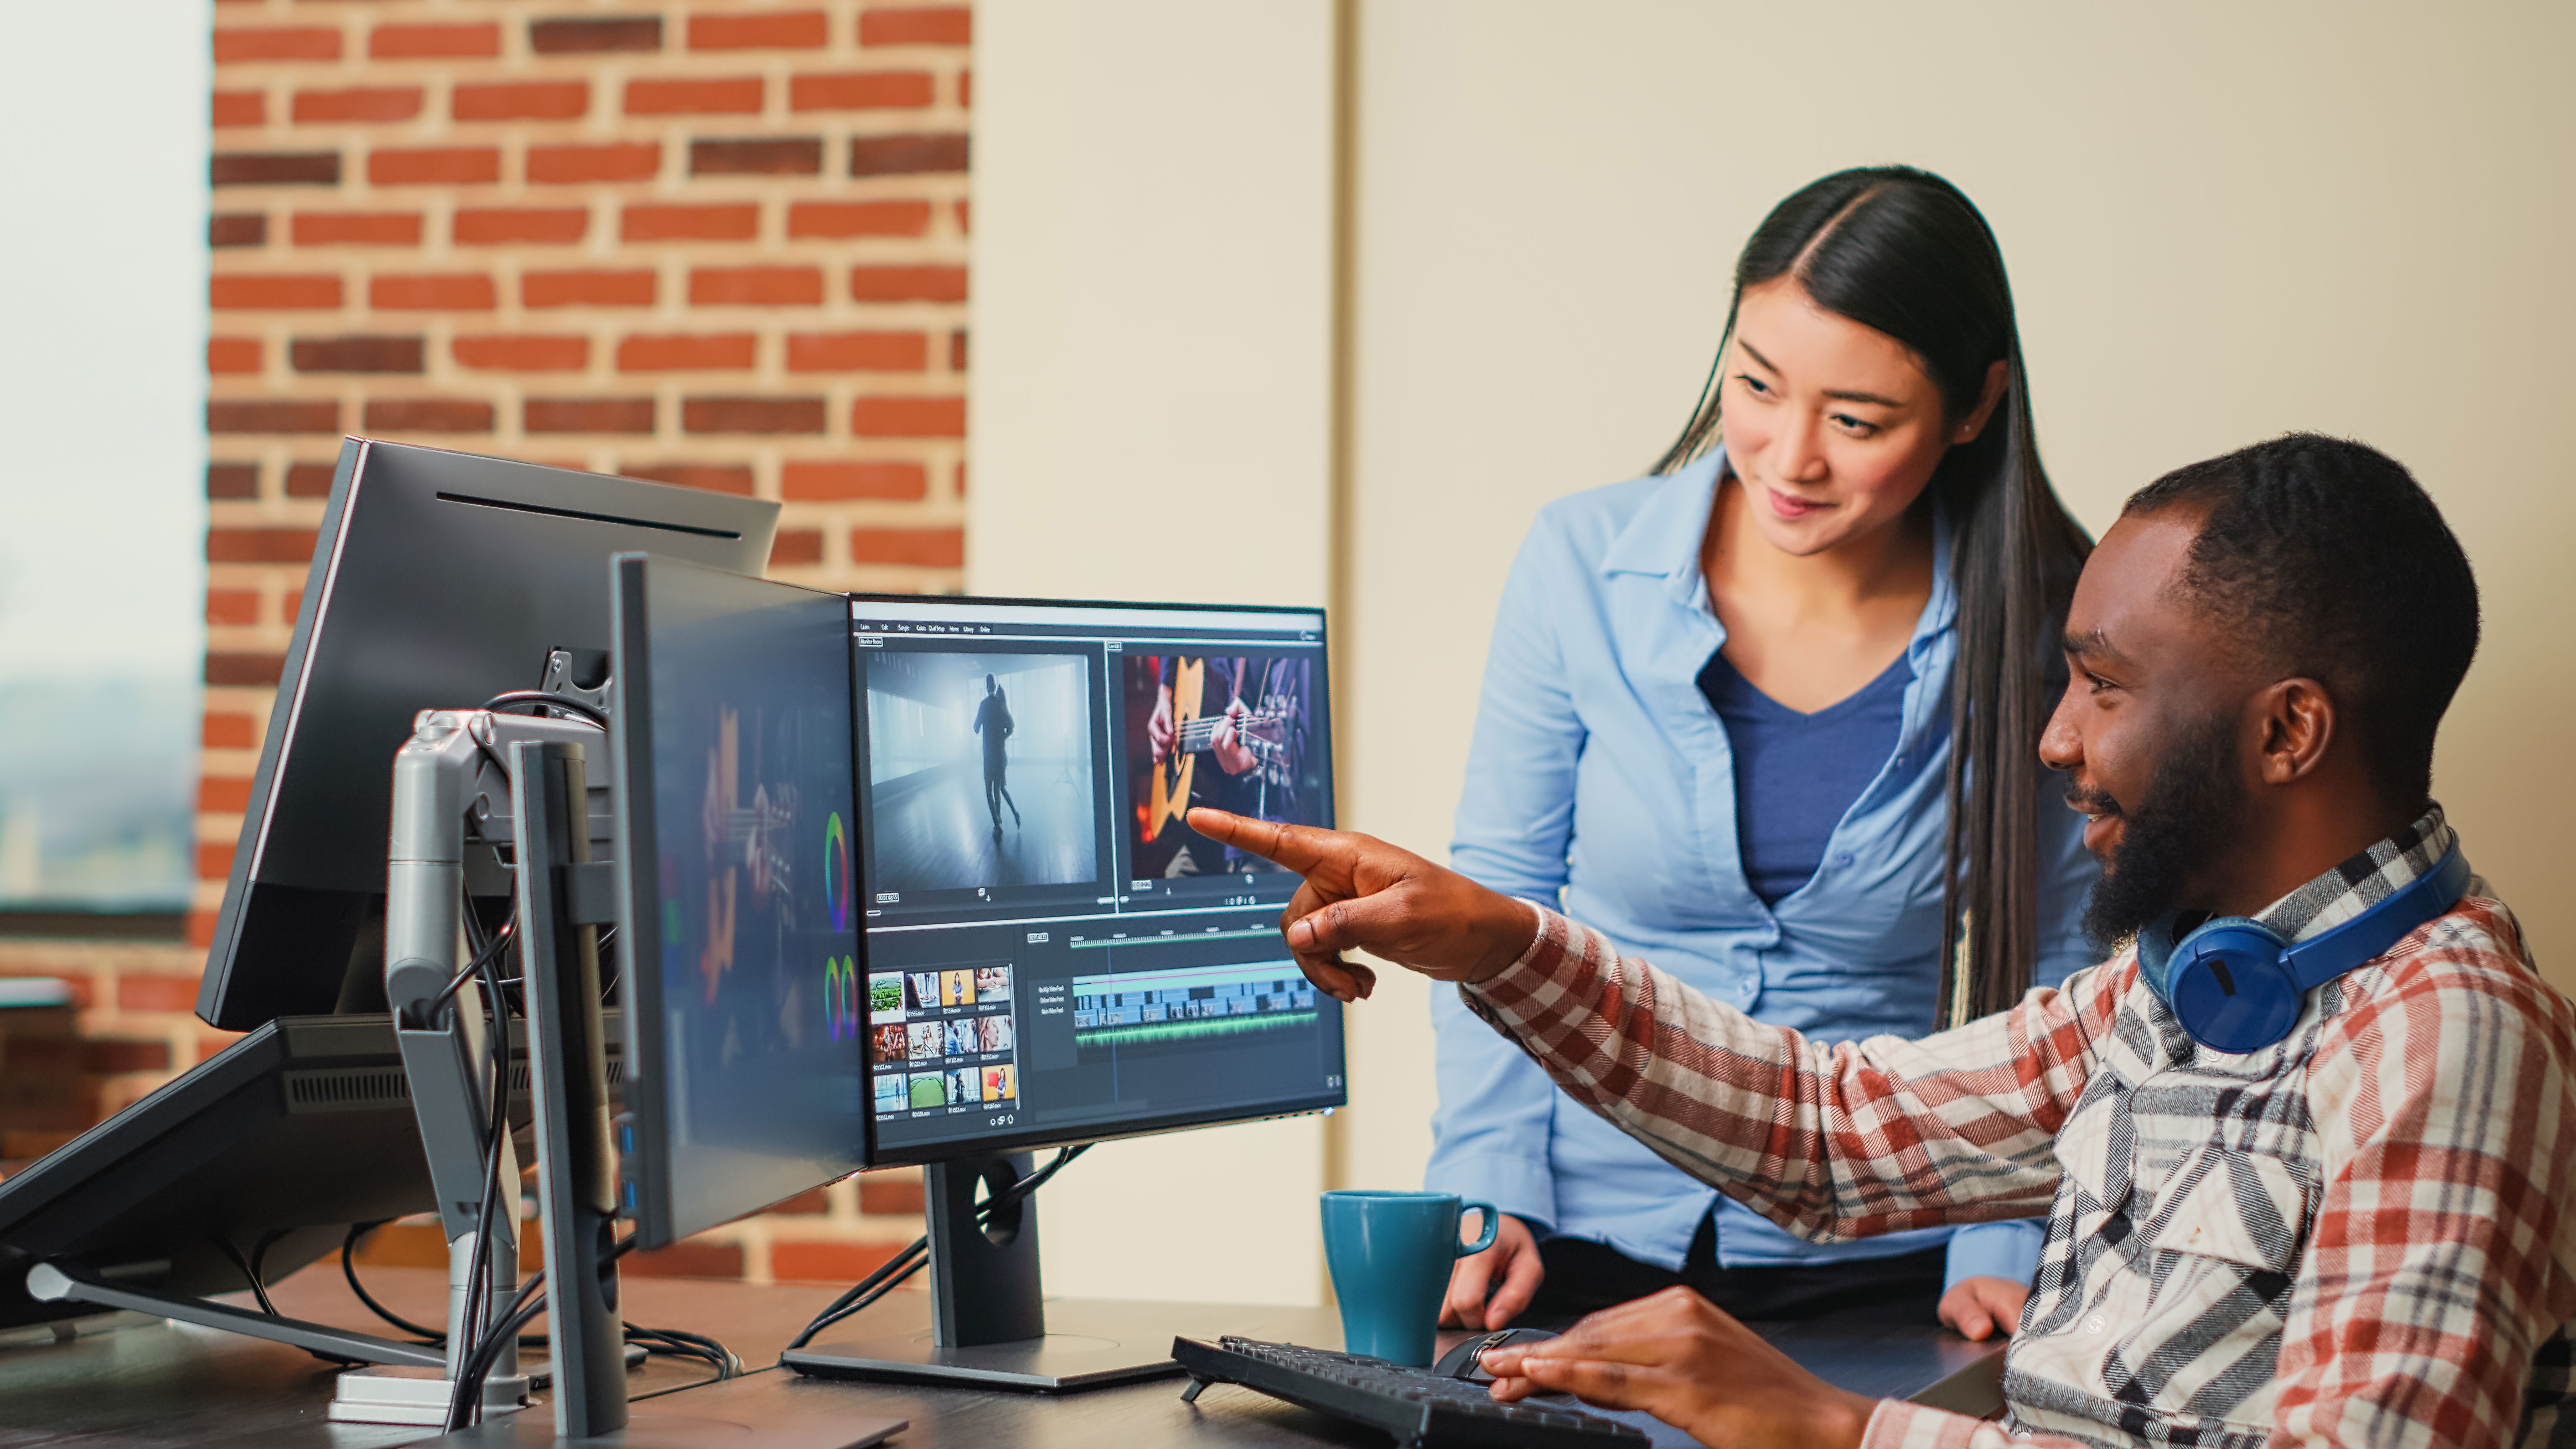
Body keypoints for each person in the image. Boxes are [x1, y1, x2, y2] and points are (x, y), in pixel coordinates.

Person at [1192, 435, 2574, 1448]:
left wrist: (1843, 1428)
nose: (2054, 741)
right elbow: (1830, 1134)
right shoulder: (2188, 986)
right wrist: (1492, 941)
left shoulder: (2447, 1035)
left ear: (2285, 730)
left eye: (2101, 687)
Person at [1435, 165, 2096, 1340]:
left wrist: (2002, 1233)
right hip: (1574, 1249)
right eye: (1756, 385)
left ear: (1975, 405)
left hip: (1897, 1266)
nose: (1790, 457)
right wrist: (1486, 1194)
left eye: (1856, 421)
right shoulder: (1580, 564)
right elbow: (1496, 907)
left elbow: (2063, 960)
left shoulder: (2047, 624)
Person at [972, 673, 1018, 836]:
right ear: (995, 685)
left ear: (986, 686)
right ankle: (1000, 822)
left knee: (989, 791)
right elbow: (1011, 728)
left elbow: (976, 728)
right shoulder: (1001, 704)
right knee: (998, 790)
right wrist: (1001, 738)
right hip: (999, 753)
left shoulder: (984, 705)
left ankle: (997, 824)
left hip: (988, 755)